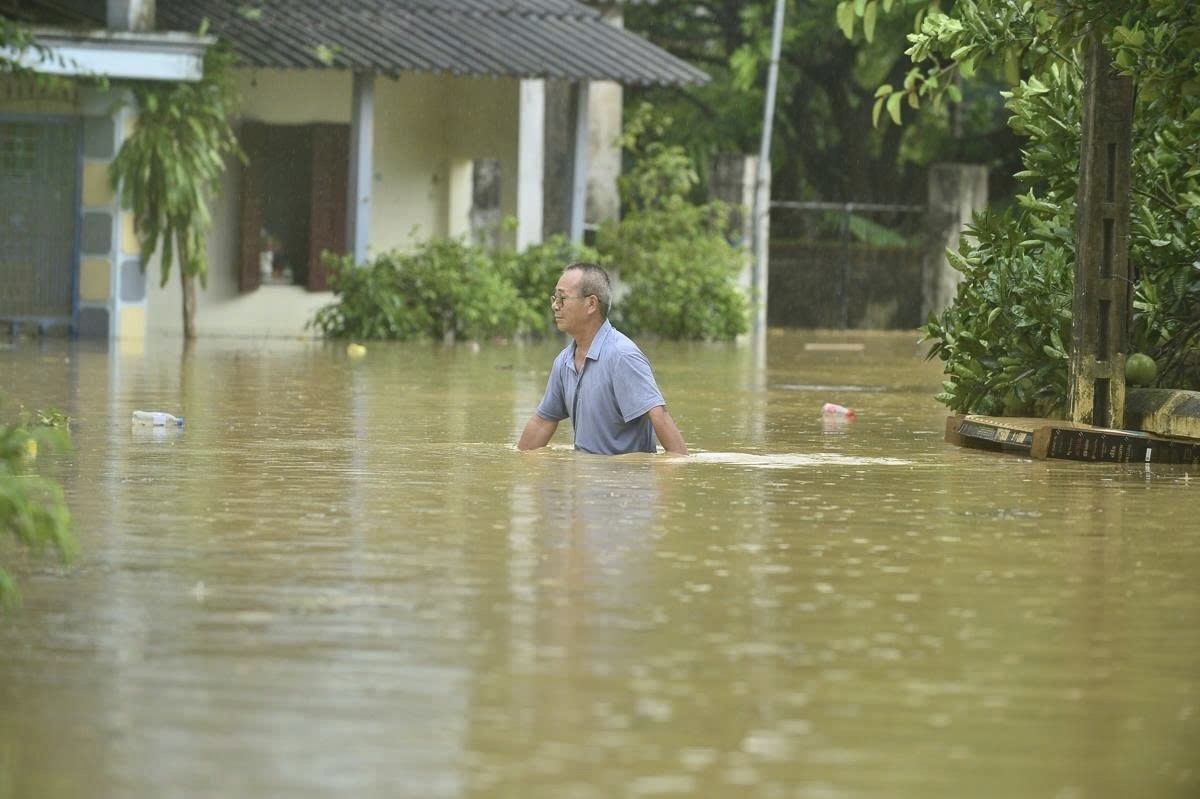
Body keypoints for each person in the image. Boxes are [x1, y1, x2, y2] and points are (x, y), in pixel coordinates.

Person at [517, 262, 688, 455]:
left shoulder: (623, 357)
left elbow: (661, 419)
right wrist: (515, 468)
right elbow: (542, 422)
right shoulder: (563, 362)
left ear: (591, 304)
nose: (555, 306)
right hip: (583, 479)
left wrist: (676, 475)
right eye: (555, 298)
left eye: (562, 298)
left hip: (624, 481)